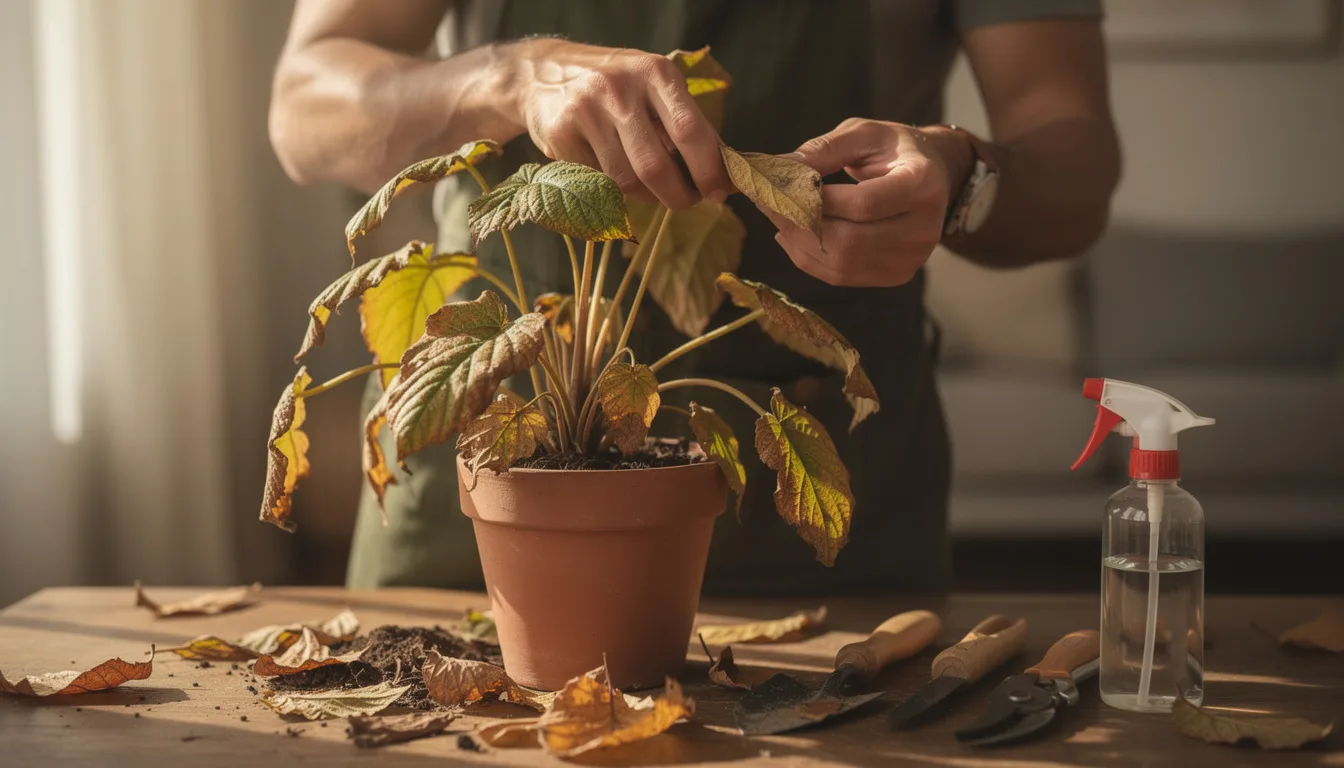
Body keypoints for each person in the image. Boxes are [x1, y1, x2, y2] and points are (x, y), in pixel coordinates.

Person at [270, 0, 1120, 596]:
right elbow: (307, 106)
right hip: (478, 499)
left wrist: (963, 178)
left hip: (822, 548)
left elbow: (1074, 166)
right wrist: (512, 76)